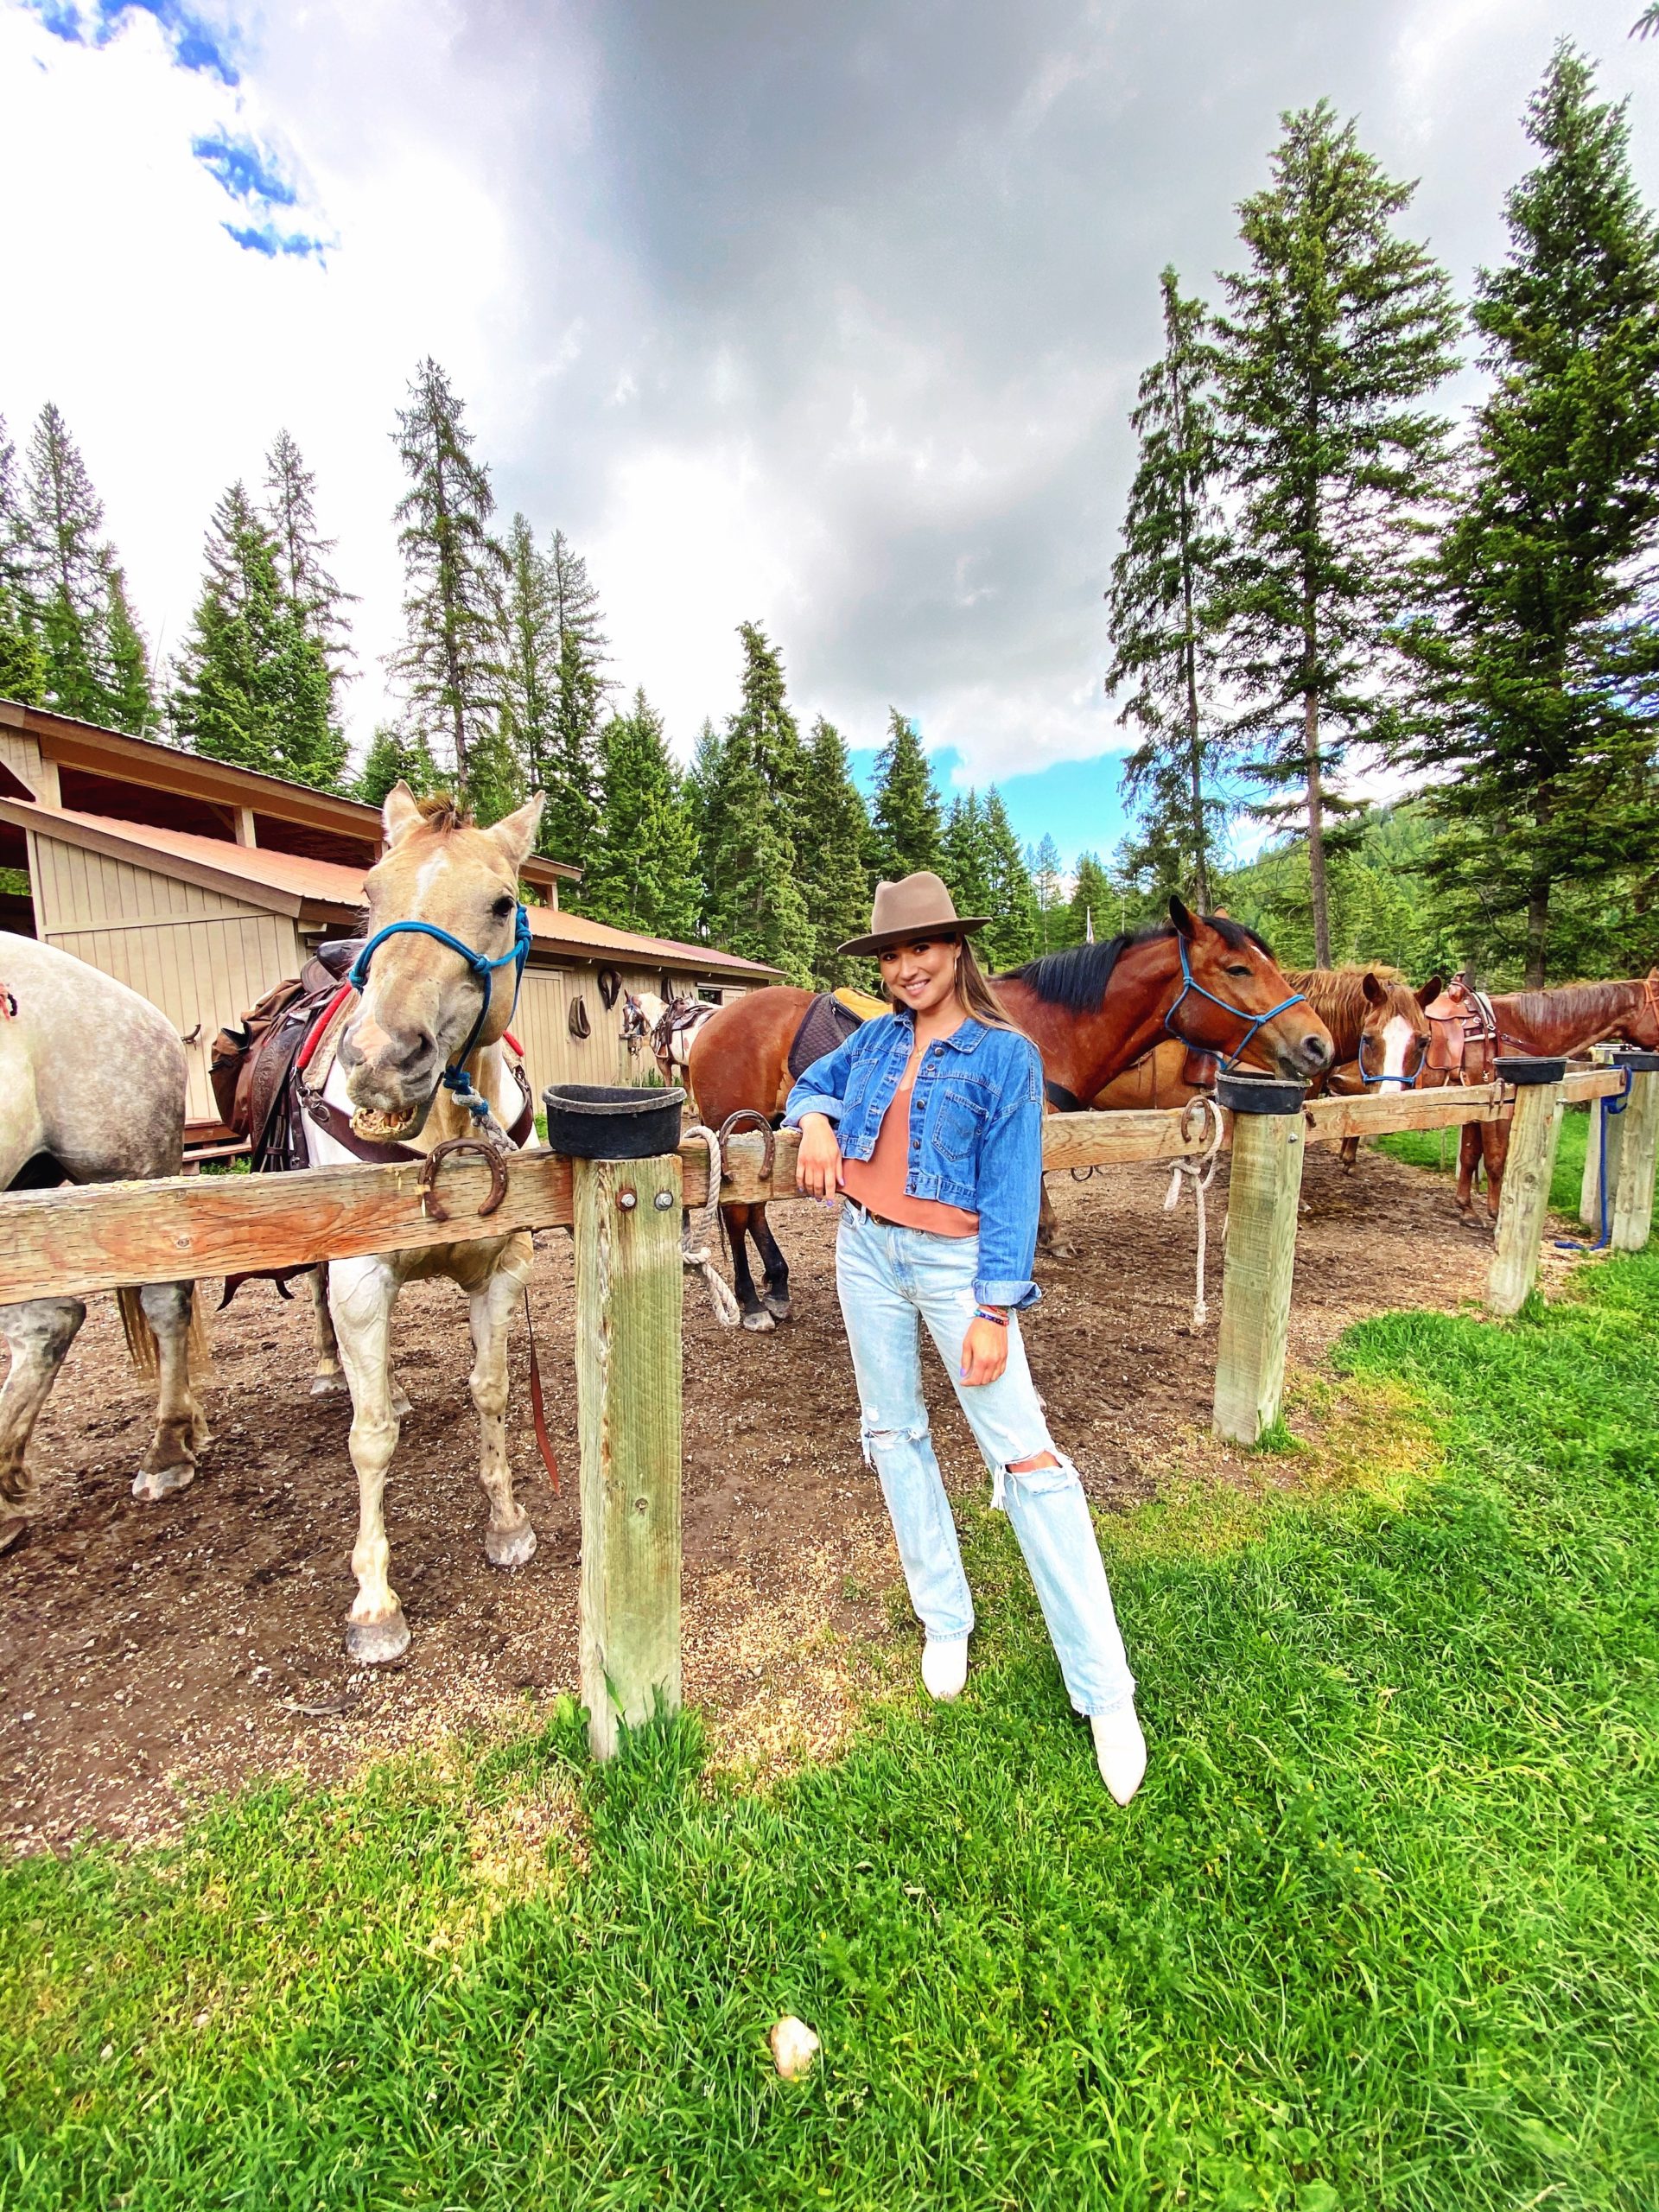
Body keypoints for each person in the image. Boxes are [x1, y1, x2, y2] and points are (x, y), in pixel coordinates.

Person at [785, 872, 1146, 1804]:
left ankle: (1105, 1689)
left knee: (1026, 1458)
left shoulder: (1005, 1056)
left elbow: (1013, 1190)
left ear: (956, 950)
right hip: (863, 1250)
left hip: (956, 1270)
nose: (907, 967)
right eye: (892, 954)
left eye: (922, 948)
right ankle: (945, 1617)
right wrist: (816, 1120)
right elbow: (808, 1082)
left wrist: (996, 1309)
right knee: (892, 1431)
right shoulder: (869, 1039)